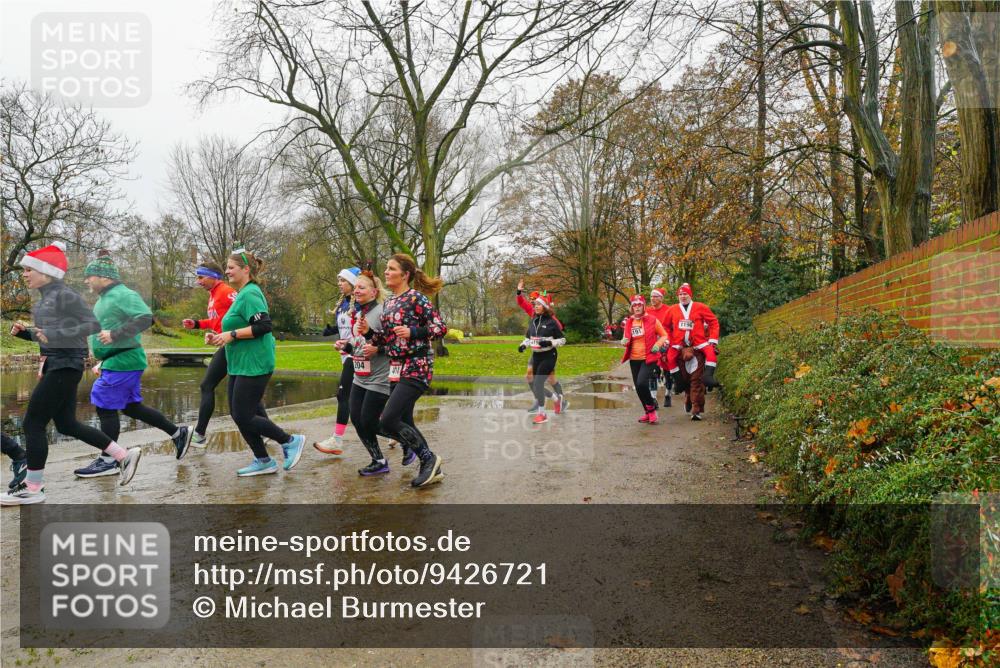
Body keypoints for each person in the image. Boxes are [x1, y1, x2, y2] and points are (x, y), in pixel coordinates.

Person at [1, 242, 141, 505]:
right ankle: (123, 456)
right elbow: (52, 336)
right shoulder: (49, 297)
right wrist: (27, 334)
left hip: (65, 365)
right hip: (60, 363)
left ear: (46, 271)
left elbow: (91, 324)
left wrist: (52, 334)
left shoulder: (63, 295)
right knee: (66, 424)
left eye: (29, 269)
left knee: (32, 423)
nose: (24, 274)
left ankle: (33, 488)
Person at [74, 252, 192, 478]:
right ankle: (178, 433)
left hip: (125, 360)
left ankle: (109, 459)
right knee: (130, 408)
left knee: (104, 405)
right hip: (116, 360)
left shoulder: (123, 294)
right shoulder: (104, 299)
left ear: (104, 277)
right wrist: (103, 358)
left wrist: (116, 335)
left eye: (90, 276)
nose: (86, 280)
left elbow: (145, 318)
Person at [206, 247, 305, 476]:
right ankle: (263, 460)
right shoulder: (242, 293)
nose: (227, 272)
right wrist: (219, 336)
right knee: (239, 413)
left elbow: (264, 326)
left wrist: (230, 335)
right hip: (240, 363)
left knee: (243, 414)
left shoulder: (250, 293)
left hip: (255, 363)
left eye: (231, 268)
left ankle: (289, 441)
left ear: (246, 269)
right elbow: (237, 326)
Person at [366, 253, 447, 488]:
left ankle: (429, 459)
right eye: (387, 268)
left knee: (389, 419)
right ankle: (432, 467)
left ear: (406, 274)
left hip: (417, 366)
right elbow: (386, 338)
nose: (386, 272)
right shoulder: (389, 302)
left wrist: (414, 332)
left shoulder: (416, 299)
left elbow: (440, 327)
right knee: (403, 420)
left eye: (391, 269)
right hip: (396, 367)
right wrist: (368, 334)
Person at [343, 270, 396, 476]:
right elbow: (360, 342)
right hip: (360, 375)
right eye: (355, 287)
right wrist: (347, 346)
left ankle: (409, 442)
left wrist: (379, 349)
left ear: (374, 292)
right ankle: (378, 460)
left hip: (379, 376)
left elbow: (395, 343)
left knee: (369, 421)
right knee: (356, 419)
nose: (356, 290)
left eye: (361, 287)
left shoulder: (383, 312)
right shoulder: (358, 313)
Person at [181, 259, 238, 446]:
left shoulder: (226, 292)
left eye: (201, 277)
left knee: (209, 386)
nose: (198, 281)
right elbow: (216, 320)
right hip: (227, 345)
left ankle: (200, 434)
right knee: (240, 394)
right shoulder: (213, 294)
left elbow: (245, 314)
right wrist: (197, 324)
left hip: (233, 346)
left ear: (213, 276)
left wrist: (228, 335)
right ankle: (264, 430)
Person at [314, 267, 361, 456]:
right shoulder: (343, 304)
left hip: (356, 353)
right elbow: (345, 326)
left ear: (352, 283)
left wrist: (349, 343)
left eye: (343, 280)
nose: (339, 284)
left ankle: (337, 440)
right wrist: (331, 330)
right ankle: (394, 432)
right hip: (345, 353)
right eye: (338, 280)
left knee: (343, 396)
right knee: (366, 397)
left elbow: (360, 327)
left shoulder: (360, 303)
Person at [516, 280, 567, 414]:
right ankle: (539, 401)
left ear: (544, 305)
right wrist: (519, 292)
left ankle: (562, 401)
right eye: (532, 301)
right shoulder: (533, 314)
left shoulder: (550, 319)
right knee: (530, 377)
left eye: (536, 301)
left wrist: (548, 340)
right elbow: (522, 303)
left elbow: (559, 332)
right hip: (535, 352)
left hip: (548, 353)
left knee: (550, 379)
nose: (533, 303)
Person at [663, 283, 721, 398]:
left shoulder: (700, 307)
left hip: (698, 341)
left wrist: (713, 340)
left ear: (690, 295)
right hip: (678, 342)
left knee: (710, 353)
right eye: (680, 294)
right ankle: (678, 381)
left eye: (685, 294)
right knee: (670, 358)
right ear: (678, 296)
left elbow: (713, 322)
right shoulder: (672, 309)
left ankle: (708, 376)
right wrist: (669, 340)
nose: (683, 296)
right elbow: (665, 326)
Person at [620, 295, 671, 425]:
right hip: (634, 358)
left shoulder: (652, 320)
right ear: (632, 307)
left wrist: (657, 345)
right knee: (638, 387)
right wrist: (624, 341)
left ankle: (652, 409)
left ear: (643, 306)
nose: (637, 307)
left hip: (649, 357)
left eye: (639, 305)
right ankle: (647, 412)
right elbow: (626, 338)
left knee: (642, 383)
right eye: (634, 305)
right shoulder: (629, 322)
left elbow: (664, 335)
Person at [677, 346, 708, 421]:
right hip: (681, 355)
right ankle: (688, 397)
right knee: (686, 382)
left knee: (696, 383)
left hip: (698, 354)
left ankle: (696, 409)